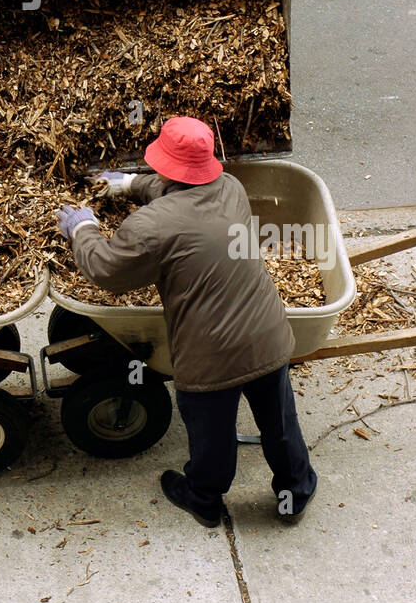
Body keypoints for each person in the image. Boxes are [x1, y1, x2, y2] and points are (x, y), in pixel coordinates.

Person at [56, 116, 317, 528]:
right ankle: (295, 493)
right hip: (267, 335)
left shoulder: (149, 227)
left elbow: (107, 271)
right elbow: (182, 195)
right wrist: (129, 184)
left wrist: (83, 229)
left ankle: (204, 499)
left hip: (211, 354)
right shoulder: (230, 188)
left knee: (211, 432)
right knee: (280, 424)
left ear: (163, 164)